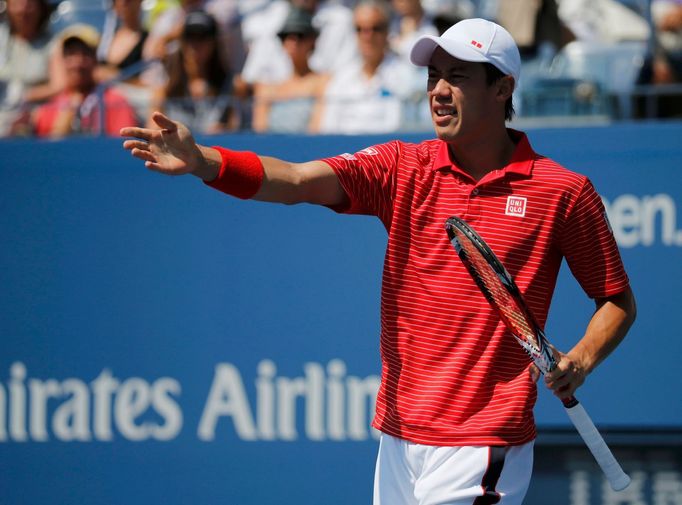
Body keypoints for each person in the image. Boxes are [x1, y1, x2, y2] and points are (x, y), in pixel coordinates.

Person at [121, 18, 637, 504]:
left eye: (456, 77)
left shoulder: (563, 192)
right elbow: (297, 181)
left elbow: (616, 300)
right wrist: (204, 162)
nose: (437, 90)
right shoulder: (401, 167)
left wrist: (583, 357)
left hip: (482, 441)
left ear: (502, 88)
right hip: (398, 437)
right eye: (433, 76)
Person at [317, 0, 424, 134]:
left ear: (387, 31)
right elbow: (328, 132)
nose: (367, 36)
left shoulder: (406, 76)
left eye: (376, 28)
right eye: (360, 29)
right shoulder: (340, 80)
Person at [32, 24, 138, 138]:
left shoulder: (115, 102)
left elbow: (124, 147)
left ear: (95, 60)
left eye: (85, 54)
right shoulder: (49, 107)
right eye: (71, 54)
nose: (78, 62)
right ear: (62, 60)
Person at [147, 9, 238, 134]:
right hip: (175, 152)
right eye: (190, 37)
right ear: (182, 41)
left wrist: (225, 130)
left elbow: (236, 129)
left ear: (214, 42)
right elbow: (153, 129)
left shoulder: (230, 84)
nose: (195, 44)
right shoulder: (165, 84)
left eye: (203, 37)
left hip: (214, 150)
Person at [251, 7, 329, 133]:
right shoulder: (267, 88)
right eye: (285, 36)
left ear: (312, 41)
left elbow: (316, 130)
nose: (292, 42)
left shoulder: (323, 82)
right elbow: (260, 132)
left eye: (300, 35)